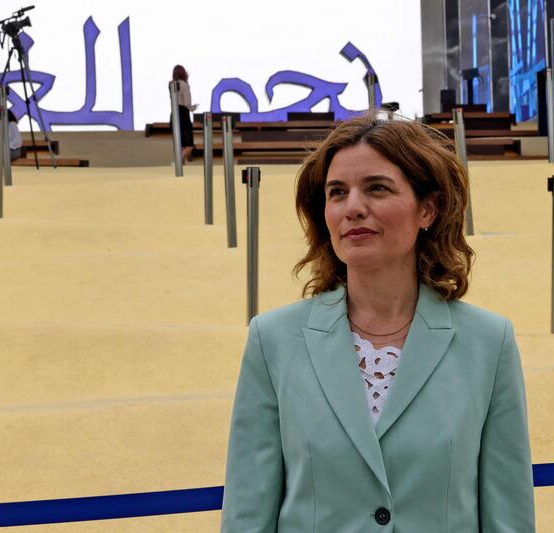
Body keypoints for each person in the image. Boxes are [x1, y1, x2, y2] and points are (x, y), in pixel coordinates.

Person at [221, 113, 535, 531]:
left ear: (428, 209)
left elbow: (508, 515)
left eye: (377, 188)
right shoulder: (273, 341)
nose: (353, 207)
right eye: (337, 193)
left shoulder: (489, 343)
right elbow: (247, 513)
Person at [170, 65, 197, 164]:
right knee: (189, 144)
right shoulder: (184, 85)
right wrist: (193, 108)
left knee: (179, 144)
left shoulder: (171, 85)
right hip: (183, 114)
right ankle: (177, 162)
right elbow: (187, 102)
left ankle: (180, 169)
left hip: (174, 114)